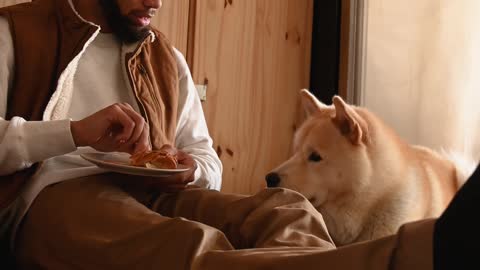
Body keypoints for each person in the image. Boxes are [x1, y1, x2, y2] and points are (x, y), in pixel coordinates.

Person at [0, 0, 476, 269]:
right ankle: (420, 256)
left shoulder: (166, 60)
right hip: (52, 198)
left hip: (151, 190)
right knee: (189, 247)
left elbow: (207, 162)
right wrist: (73, 133)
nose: (158, 3)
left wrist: (185, 167)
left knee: (286, 209)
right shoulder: (18, 33)